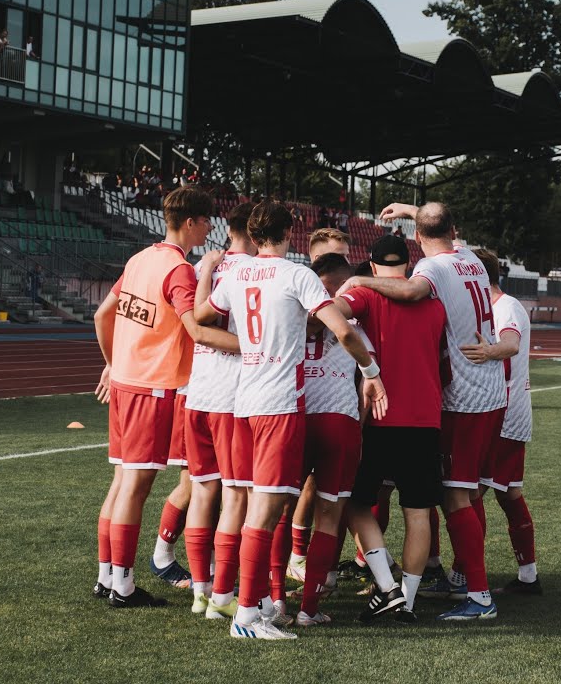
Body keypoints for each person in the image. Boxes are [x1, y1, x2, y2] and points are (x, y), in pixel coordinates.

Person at [192, 200, 387, 640]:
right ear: (290, 231)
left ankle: (252, 599)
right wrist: (372, 373)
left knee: (252, 507)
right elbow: (342, 330)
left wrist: (206, 272)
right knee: (266, 511)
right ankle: (246, 617)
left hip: (243, 402)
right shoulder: (297, 274)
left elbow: (203, 316)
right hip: (280, 405)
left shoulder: (238, 274)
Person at [337, 201, 506, 621]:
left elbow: (396, 295)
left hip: (431, 407)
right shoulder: (467, 259)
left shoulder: (416, 282)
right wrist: (417, 211)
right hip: (449, 407)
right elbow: (437, 229)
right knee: (429, 507)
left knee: (444, 498)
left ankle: (465, 593)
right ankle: (409, 599)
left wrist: (353, 282)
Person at [90, 186, 239, 609]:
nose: (211, 227)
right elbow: (195, 329)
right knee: (135, 486)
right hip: (150, 388)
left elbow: (104, 314)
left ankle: (107, 577)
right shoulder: (179, 271)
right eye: (207, 219)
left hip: (125, 382)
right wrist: (253, 347)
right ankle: (123, 586)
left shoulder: (140, 258)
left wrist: (113, 361)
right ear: (190, 222)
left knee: (121, 482)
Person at [329, 234, 448, 623]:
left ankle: (387, 587)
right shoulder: (434, 306)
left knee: (359, 504)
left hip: (381, 418)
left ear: (374, 267)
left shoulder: (367, 297)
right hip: (426, 420)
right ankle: (408, 602)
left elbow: (332, 310)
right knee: (418, 513)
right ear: (408, 266)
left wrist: (351, 286)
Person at [291, 253, 379, 625]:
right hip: (338, 421)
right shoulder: (354, 320)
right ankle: (309, 609)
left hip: (292, 418)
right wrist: (357, 429)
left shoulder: (290, 313)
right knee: (329, 514)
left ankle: (275, 601)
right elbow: (367, 388)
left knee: (276, 508)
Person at [182, 201, 258, 620]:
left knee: (203, 490)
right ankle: (223, 598)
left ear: (228, 230)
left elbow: (194, 320)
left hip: (196, 392)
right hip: (233, 396)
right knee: (235, 496)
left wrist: (208, 269)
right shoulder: (253, 272)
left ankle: (199, 591)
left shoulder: (201, 267)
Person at [461, 249, 541, 595]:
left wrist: (487, 352)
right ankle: (528, 576)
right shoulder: (493, 305)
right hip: (507, 409)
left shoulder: (505, 307)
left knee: (469, 491)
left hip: (504, 413)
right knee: (509, 493)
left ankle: (464, 574)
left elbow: (509, 344)